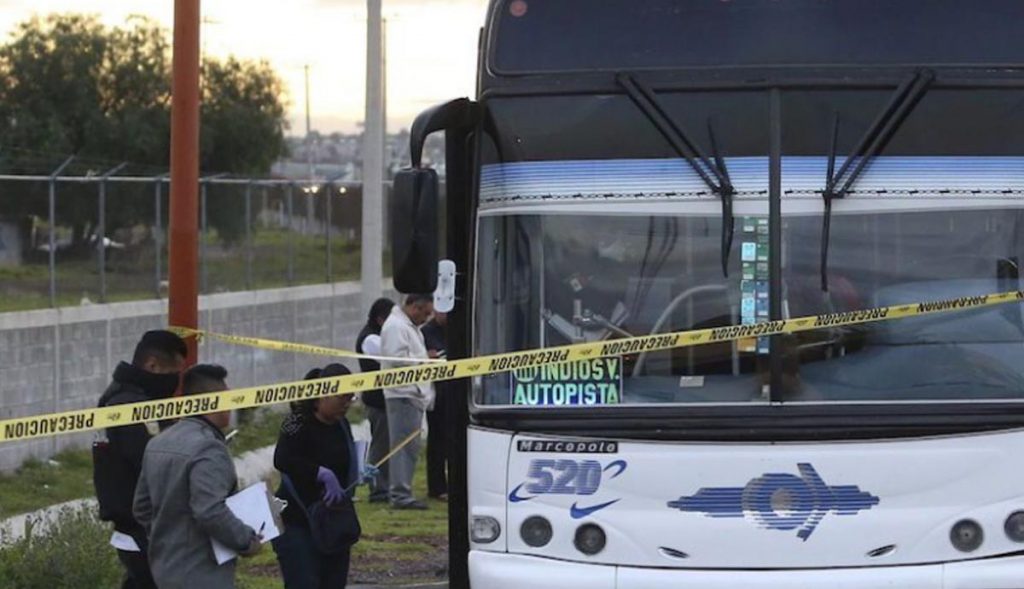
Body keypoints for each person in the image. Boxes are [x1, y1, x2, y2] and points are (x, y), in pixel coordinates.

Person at [133, 364, 262, 589]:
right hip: (202, 571)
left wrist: (167, 537)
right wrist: (246, 540)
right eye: (227, 398)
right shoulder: (209, 448)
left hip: (164, 568)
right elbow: (209, 510)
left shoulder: (157, 442)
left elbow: (141, 508)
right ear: (213, 401)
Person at [93, 329, 187, 589]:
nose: (175, 382)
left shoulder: (138, 399)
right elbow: (152, 462)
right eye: (172, 374)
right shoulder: (127, 405)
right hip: (139, 522)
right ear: (152, 365)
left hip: (143, 520)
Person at [273, 363, 360, 589]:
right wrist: (319, 473)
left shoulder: (342, 425)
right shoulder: (297, 421)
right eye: (342, 398)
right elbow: (282, 459)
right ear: (323, 394)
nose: (346, 404)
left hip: (333, 521)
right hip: (297, 519)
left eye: (350, 398)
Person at [381, 293, 435, 510]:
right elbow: (395, 358)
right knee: (403, 446)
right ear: (413, 306)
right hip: (402, 393)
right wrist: (424, 361)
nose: (426, 318)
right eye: (425, 313)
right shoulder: (396, 327)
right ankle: (400, 493)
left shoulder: (408, 327)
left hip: (412, 393)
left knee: (410, 445)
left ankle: (402, 490)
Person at [355, 297, 396, 503]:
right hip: (377, 400)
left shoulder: (375, 335)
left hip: (383, 399)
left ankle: (383, 486)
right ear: (381, 320)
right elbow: (392, 357)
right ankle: (378, 489)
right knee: (381, 446)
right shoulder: (371, 339)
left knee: (386, 444)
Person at [421, 311, 450, 501]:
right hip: (438, 395)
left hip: (455, 392)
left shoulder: (455, 328)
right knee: (437, 443)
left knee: (452, 442)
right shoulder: (427, 331)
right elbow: (432, 356)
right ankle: (437, 486)